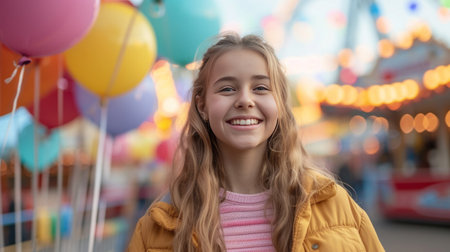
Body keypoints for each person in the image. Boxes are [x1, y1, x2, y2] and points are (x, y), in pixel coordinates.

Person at [127, 33, 384, 252]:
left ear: (280, 104)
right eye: (227, 89)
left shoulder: (333, 203)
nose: (245, 100)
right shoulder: (158, 225)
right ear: (202, 105)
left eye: (261, 88)